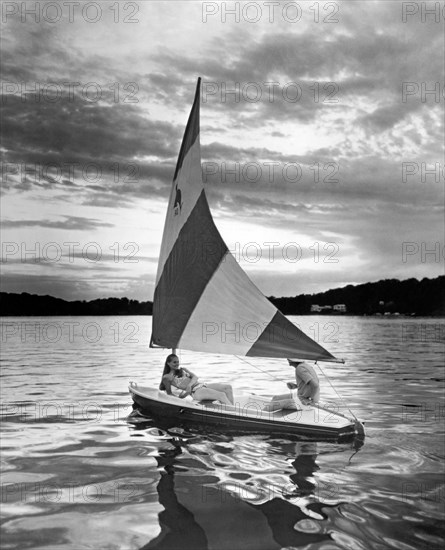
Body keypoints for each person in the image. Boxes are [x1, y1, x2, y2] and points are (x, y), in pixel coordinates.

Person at [160, 354, 234, 405]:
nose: (177, 364)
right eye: (174, 362)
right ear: (168, 363)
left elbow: (195, 377)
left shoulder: (182, 370)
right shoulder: (167, 377)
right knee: (221, 395)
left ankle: (232, 409)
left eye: (178, 362)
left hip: (202, 385)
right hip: (195, 391)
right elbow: (169, 394)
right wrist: (183, 397)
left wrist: (189, 385)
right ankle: (235, 414)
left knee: (228, 387)